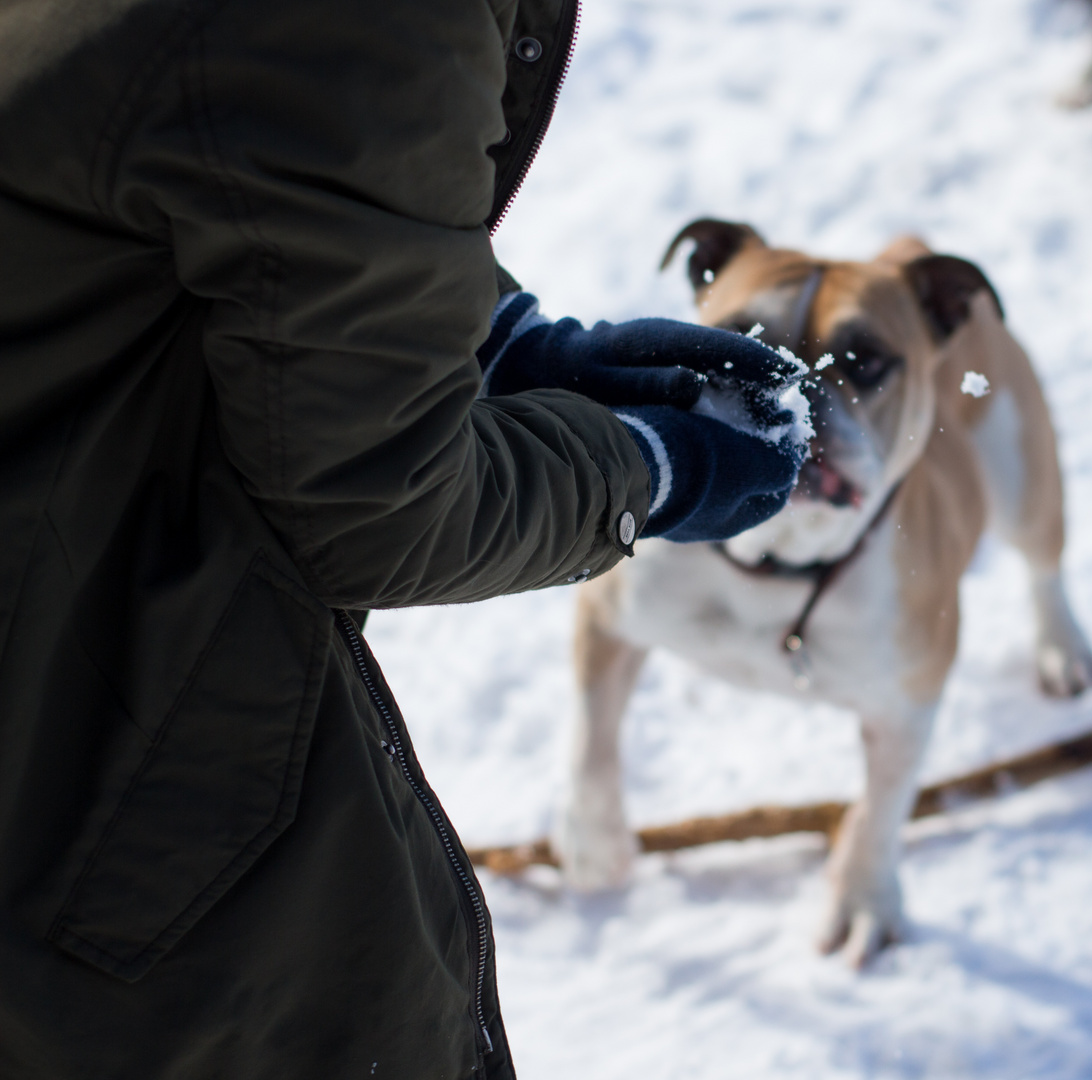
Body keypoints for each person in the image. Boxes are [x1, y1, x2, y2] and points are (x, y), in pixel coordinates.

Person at [0, 0, 806, 1076]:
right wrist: (650, 468)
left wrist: (486, 335)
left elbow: (230, 159)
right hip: (86, 745)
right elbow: (384, 505)